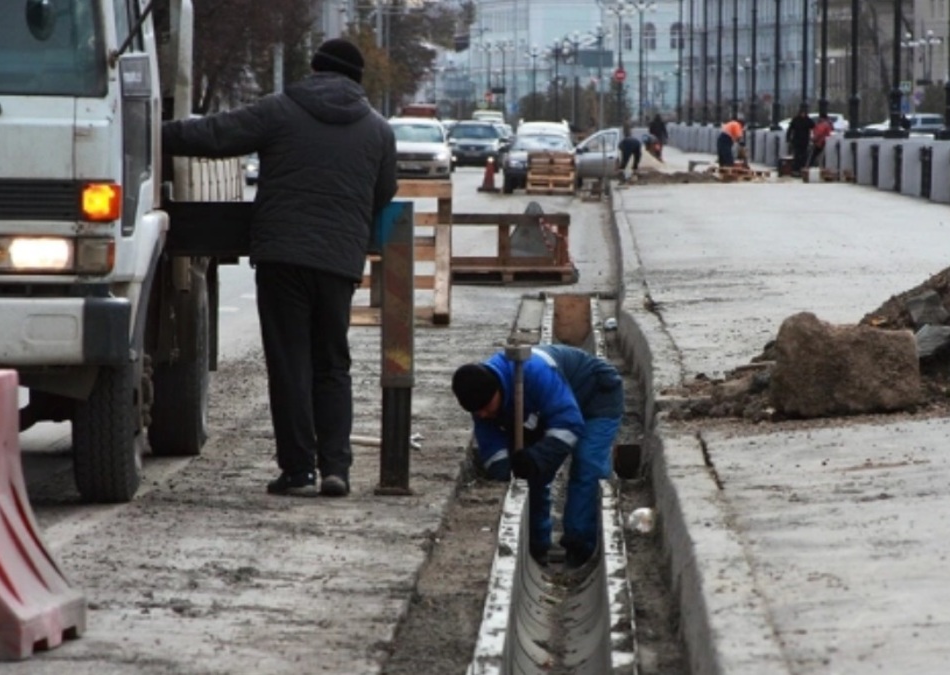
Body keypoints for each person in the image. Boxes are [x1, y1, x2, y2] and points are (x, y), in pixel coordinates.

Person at [161, 38, 398, 498]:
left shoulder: (281, 110)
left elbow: (213, 136)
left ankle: (297, 471)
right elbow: (382, 193)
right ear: (357, 79)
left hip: (282, 258)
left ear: (314, 70)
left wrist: (151, 129)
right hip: (338, 262)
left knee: (290, 364)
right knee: (333, 364)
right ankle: (337, 469)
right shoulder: (378, 130)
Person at [451, 345, 624, 569]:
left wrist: (536, 458)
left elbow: (568, 425)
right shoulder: (483, 399)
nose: (483, 415)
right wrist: (508, 473)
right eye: (477, 412)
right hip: (550, 407)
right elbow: (493, 448)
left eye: (485, 408)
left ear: (498, 391)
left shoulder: (534, 374)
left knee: (586, 463)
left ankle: (580, 546)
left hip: (595, 397)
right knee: (532, 473)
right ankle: (537, 544)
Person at [786, 104, 815, 176]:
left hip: (804, 141)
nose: (803, 115)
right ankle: (796, 170)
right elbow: (790, 129)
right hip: (796, 140)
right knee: (797, 155)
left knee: (804, 156)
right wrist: (788, 138)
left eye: (804, 113)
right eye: (802, 113)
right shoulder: (796, 120)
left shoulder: (808, 120)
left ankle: (802, 169)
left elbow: (813, 127)